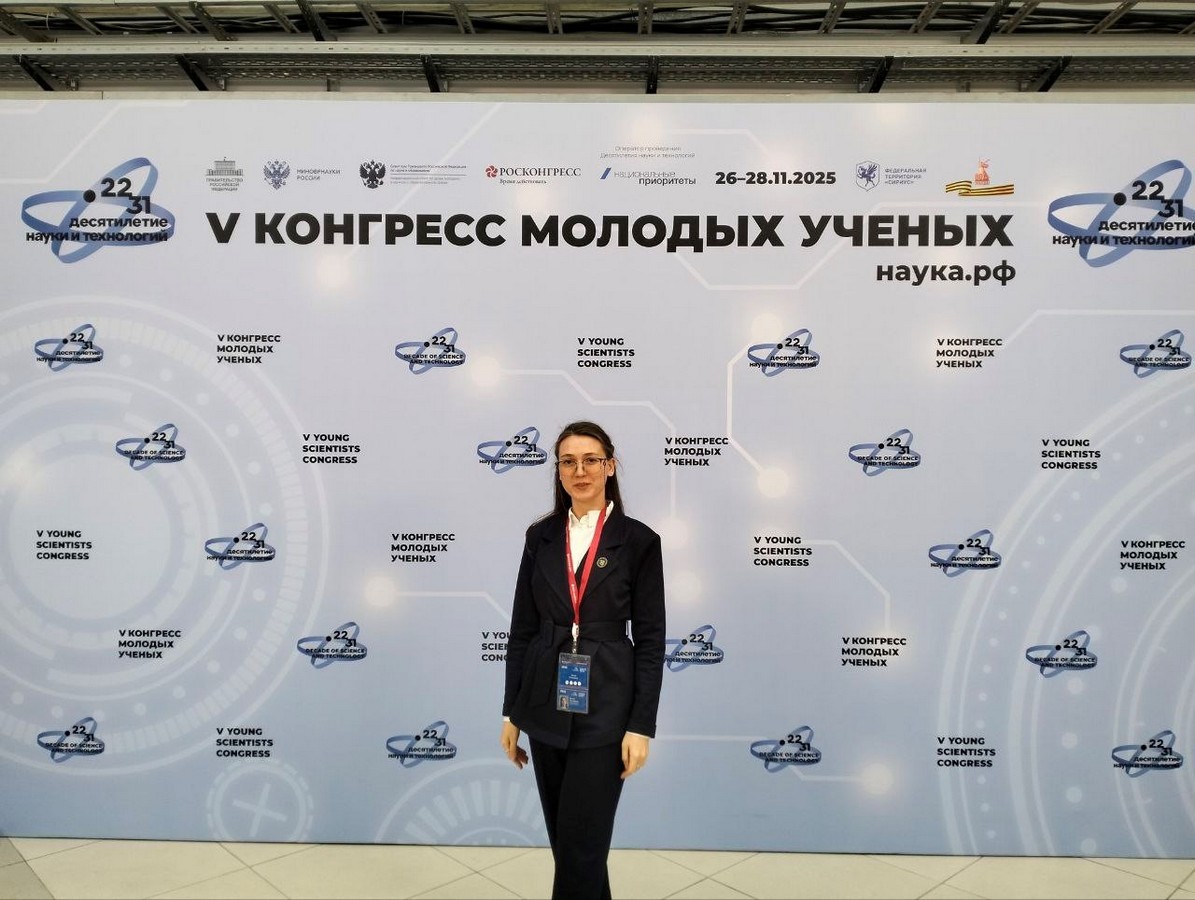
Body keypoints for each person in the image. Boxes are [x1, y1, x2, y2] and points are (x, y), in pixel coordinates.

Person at [501, 420, 666, 900]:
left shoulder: (639, 541)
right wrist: (511, 711)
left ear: (609, 467)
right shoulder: (540, 537)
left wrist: (641, 725)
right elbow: (522, 630)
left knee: (582, 848)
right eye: (568, 462)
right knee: (570, 846)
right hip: (543, 705)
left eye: (591, 460)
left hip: (607, 709)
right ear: (558, 471)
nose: (580, 471)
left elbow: (651, 641)